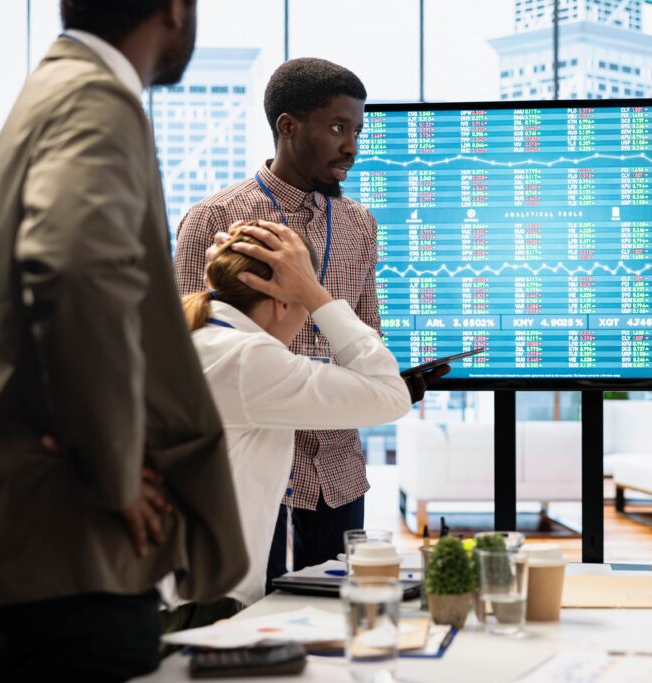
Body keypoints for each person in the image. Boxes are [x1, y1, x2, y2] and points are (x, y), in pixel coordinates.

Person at [0, 1, 249, 679]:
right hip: (67, 537)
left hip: (5, 528)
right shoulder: (98, 101)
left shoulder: (44, 93)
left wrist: (29, 406)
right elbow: (70, 268)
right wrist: (111, 461)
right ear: (175, 10)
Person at [173, 57, 445, 587]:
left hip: (337, 465)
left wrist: (390, 385)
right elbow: (191, 344)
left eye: (358, 130)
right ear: (288, 127)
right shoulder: (212, 217)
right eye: (338, 127)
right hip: (247, 469)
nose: (352, 146)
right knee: (246, 611)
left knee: (345, 608)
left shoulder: (359, 223)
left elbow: (366, 329)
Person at [160, 221, 411, 631]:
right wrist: (315, 293)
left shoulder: (190, 337)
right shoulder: (247, 359)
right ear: (281, 303)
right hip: (197, 606)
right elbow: (391, 393)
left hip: (159, 594)